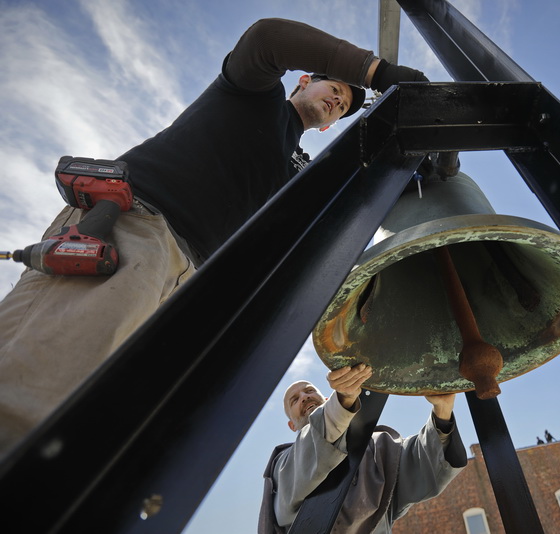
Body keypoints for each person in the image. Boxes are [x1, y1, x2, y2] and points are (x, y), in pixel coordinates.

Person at [0, 18, 427, 457]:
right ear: (302, 81)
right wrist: (375, 74)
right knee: (34, 391)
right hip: (134, 227)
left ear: (328, 127)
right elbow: (267, 39)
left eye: (344, 104)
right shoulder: (252, 96)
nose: (339, 99)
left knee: (80, 425)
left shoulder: (297, 176)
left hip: (184, 286)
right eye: (334, 87)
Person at [260, 364, 467, 533]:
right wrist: (343, 400)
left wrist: (442, 410)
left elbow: (424, 465)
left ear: (325, 400)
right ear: (292, 426)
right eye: (294, 400)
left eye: (309, 390)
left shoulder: (379, 448)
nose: (304, 396)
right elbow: (312, 443)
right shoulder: (284, 465)